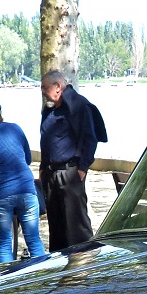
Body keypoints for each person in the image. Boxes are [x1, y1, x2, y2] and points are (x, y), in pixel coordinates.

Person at [0, 96, 45, 263]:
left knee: (4, 243)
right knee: (33, 240)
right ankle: (42, 278)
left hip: (1, 195)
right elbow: (27, 159)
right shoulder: (15, 129)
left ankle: (7, 284)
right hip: (26, 190)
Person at [39, 70, 98, 251]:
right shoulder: (49, 110)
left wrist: (81, 169)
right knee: (56, 228)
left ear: (57, 87)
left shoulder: (79, 105)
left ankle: (83, 267)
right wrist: (42, 168)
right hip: (51, 173)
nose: (42, 91)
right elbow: (46, 140)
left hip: (70, 172)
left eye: (44, 88)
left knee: (77, 227)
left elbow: (90, 139)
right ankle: (61, 270)